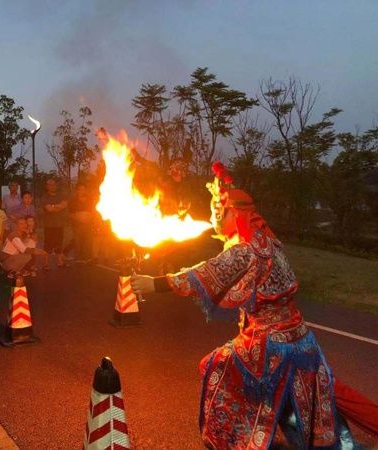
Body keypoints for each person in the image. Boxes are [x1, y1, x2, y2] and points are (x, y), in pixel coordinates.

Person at [130, 163, 361, 449]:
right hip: (303, 340)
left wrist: (154, 283)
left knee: (214, 366)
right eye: (213, 209)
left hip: (269, 344)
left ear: (236, 213)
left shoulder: (245, 250)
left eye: (220, 211)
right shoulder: (267, 240)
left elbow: (206, 273)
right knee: (292, 397)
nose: (214, 216)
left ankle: (236, 439)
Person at [41, 178, 68, 269]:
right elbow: (49, 209)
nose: (52, 186)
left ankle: (60, 262)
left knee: (59, 244)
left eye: (53, 184)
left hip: (59, 225)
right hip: (49, 225)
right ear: (46, 186)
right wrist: (57, 207)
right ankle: (45, 264)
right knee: (47, 245)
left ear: (56, 185)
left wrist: (53, 206)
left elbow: (64, 205)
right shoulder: (45, 197)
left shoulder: (61, 195)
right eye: (50, 184)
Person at [65, 183, 96, 263]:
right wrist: (78, 218)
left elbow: (95, 212)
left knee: (88, 241)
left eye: (83, 189)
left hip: (89, 225)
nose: (82, 191)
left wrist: (89, 218)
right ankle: (79, 258)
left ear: (86, 190)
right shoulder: (73, 201)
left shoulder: (90, 200)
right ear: (77, 191)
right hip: (77, 225)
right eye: (80, 189)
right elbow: (70, 214)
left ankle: (88, 258)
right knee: (78, 241)